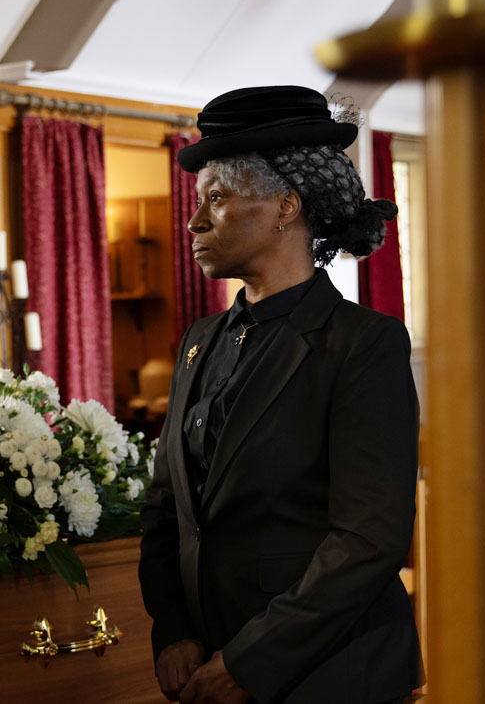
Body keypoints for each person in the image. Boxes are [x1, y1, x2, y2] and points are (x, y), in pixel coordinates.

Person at [138, 85, 422, 704]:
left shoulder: (362, 344)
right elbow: (166, 507)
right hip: (209, 665)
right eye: (198, 201)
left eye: (216, 198)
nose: (194, 220)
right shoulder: (199, 341)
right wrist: (173, 629)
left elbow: (368, 539)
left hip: (333, 673)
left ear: (286, 206)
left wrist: (248, 662)